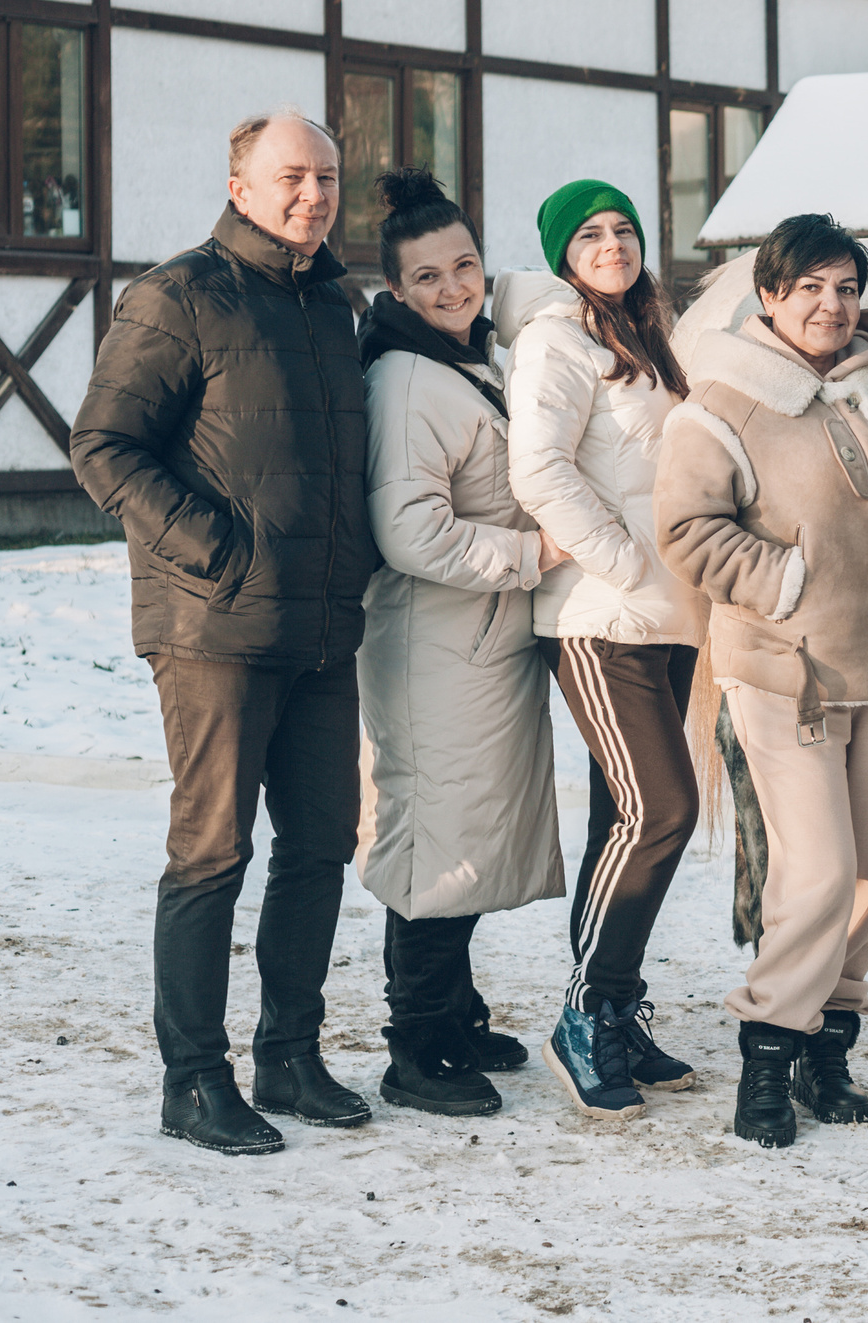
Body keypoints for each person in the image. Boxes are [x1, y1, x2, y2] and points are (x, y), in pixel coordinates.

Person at [69, 109, 380, 1156]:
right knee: (212, 850)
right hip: (213, 625)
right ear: (241, 187)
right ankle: (194, 1081)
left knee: (322, 844)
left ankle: (290, 1055)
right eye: (292, 176)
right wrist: (217, 549)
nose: (314, 195)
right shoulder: (179, 296)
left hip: (324, 626)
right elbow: (103, 444)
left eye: (327, 177)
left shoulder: (333, 302)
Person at [655, 213, 868, 1147]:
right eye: (809, 289)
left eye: (845, 288)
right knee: (821, 871)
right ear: (769, 296)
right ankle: (766, 1051)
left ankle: (826, 1048)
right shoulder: (723, 404)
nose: (831, 306)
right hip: (786, 674)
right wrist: (787, 582)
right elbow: (686, 530)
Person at [355, 168, 568, 1118]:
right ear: (395, 291)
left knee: (471, 831)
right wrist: (534, 553)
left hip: (477, 641)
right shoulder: (406, 380)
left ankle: (455, 1011)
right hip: (434, 645)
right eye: (428, 277)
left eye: (467, 266)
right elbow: (412, 532)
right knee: (436, 842)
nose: (453, 288)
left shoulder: (462, 357)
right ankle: (417, 1046)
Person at [499, 178, 706, 1123]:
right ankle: (584, 1015)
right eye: (590, 234)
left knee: (622, 820)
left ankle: (616, 1009)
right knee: (663, 808)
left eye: (624, 228)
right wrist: (622, 560)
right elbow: (538, 468)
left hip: (669, 614)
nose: (613, 243)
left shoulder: (652, 335)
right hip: (599, 614)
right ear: (563, 255)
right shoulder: (556, 340)